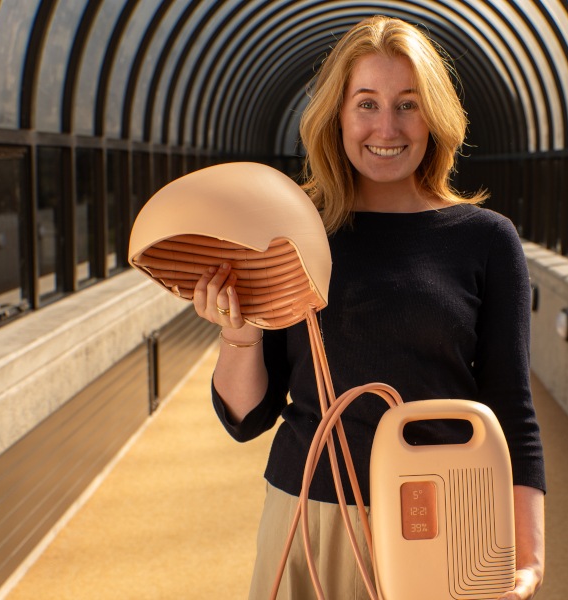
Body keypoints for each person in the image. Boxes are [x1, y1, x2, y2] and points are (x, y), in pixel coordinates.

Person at [193, 15, 545, 600]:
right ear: (337, 114)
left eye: (408, 104)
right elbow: (248, 417)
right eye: (367, 103)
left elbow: (511, 406)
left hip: (450, 510)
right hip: (316, 513)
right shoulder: (292, 231)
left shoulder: (486, 237)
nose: (388, 126)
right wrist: (239, 335)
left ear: (434, 116)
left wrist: (529, 554)